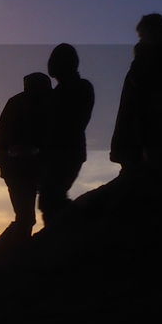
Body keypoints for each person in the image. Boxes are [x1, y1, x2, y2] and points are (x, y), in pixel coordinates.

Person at [109, 13, 162, 169]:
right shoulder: (153, 54)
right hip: (144, 129)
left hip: (154, 127)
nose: (140, 39)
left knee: (154, 165)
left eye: (142, 34)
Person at [0, 73, 52, 239]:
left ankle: (11, 254)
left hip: (20, 168)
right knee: (26, 217)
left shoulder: (19, 102)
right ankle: (11, 254)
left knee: (25, 217)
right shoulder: (28, 104)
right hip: (20, 168)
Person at [40, 44, 94, 225]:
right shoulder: (63, 91)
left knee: (51, 199)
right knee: (50, 200)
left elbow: (73, 123)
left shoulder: (79, 88)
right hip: (61, 152)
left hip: (66, 152)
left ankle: (80, 225)